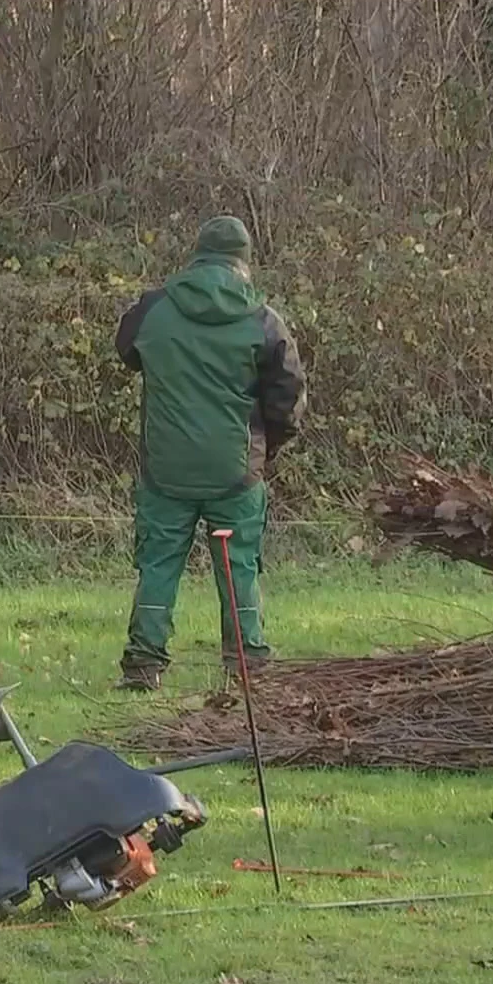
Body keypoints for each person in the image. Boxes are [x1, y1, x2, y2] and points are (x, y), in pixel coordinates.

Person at [112, 216, 306, 691]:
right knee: (238, 564)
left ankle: (143, 665)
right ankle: (247, 665)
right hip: (235, 468)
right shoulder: (263, 320)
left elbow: (126, 351)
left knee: (158, 564)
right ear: (242, 262)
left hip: (165, 467)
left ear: (196, 254)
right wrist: (266, 450)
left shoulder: (153, 308)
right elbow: (288, 398)